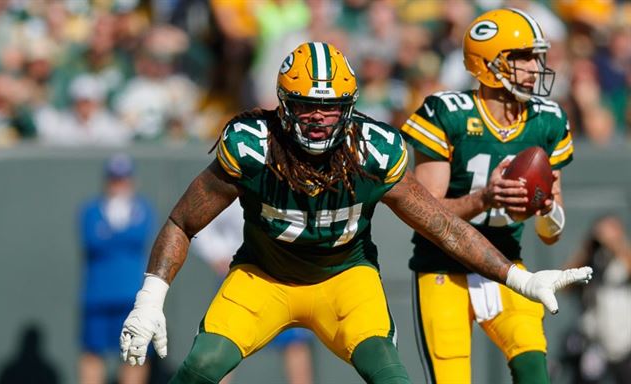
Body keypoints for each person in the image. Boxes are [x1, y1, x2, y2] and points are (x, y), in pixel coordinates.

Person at [119, 41, 591, 384]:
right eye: (308, 106)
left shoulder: (373, 149)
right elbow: (183, 222)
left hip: (345, 281)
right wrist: (150, 298)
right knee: (199, 368)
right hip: (264, 277)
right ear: (284, 105)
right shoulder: (252, 144)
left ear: (349, 107)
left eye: (331, 107)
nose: (320, 118)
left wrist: (518, 278)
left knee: (391, 377)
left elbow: (443, 226)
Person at [399, 8, 575, 384]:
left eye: (536, 56)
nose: (534, 66)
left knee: (534, 372)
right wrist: (484, 198)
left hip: (508, 266)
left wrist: (546, 209)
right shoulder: (448, 112)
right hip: (443, 269)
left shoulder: (548, 119)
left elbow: (551, 233)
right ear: (487, 62)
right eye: (521, 57)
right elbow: (424, 214)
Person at [191, 200, 314, 384]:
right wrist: (217, 254)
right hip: (242, 275)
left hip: (283, 274)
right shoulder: (240, 183)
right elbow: (197, 221)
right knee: (222, 347)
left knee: (295, 345)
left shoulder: (292, 184)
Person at [78, 153, 157, 384]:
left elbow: (139, 237)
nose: (119, 184)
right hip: (98, 295)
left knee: (134, 354)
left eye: (123, 178)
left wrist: (110, 235)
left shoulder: (142, 209)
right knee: (92, 353)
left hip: (131, 297)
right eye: (114, 179)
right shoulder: (91, 210)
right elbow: (93, 241)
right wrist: (121, 237)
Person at [562, 214, 631, 384]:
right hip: (594, 342)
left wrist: (616, 243)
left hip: (625, 341)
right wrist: (589, 247)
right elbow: (565, 285)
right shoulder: (590, 261)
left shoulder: (623, 257)